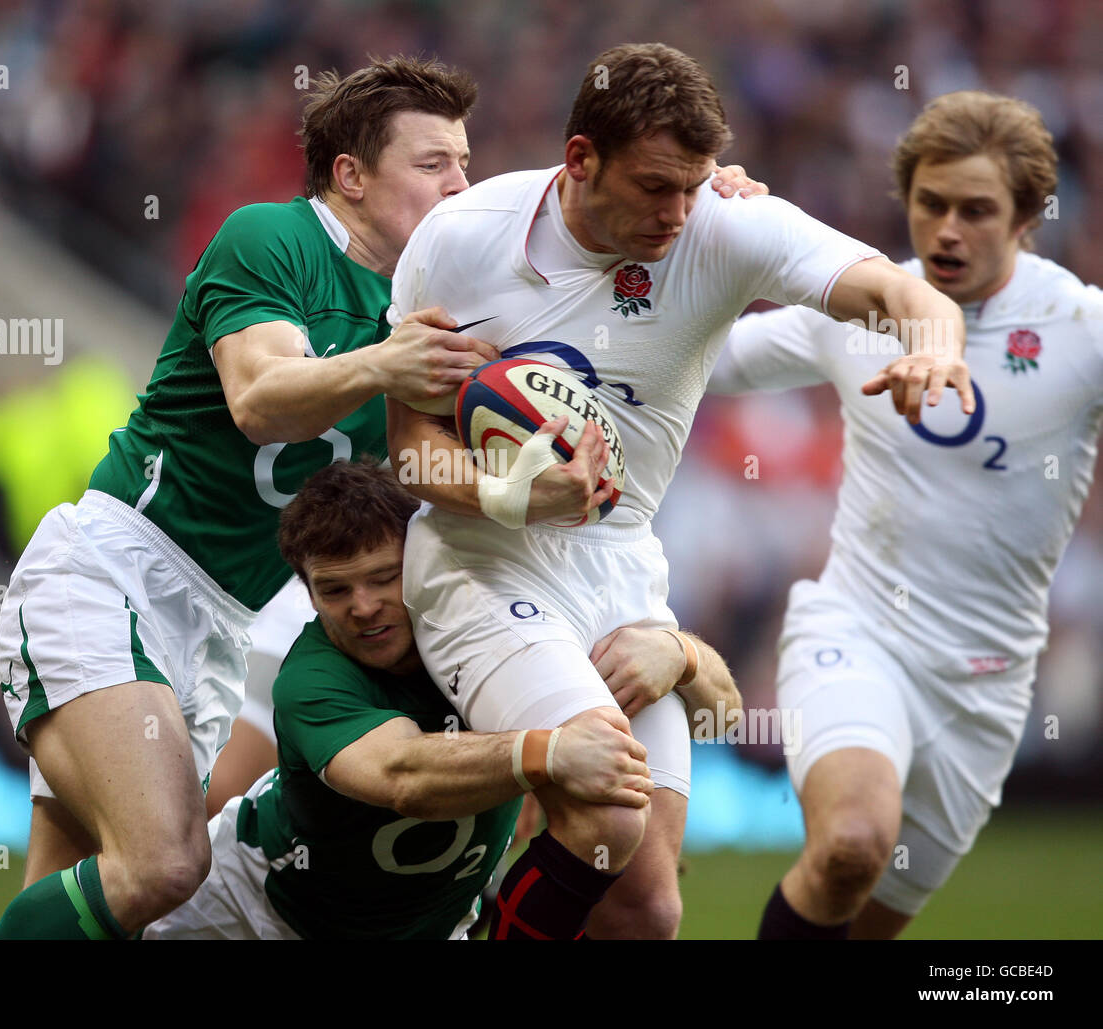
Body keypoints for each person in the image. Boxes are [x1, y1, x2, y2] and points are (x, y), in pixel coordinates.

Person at [386, 43, 975, 940]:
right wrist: (523, 496)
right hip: (483, 561)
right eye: (657, 186)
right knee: (605, 807)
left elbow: (902, 289)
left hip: (622, 570)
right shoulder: (464, 238)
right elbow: (410, 455)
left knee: (648, 911)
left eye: (695, 185)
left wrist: (934, 345)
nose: (679, 212)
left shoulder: (723, 227)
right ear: (580, 158)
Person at [0, 56, 492, 940]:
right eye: (432, 163)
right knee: (167, 862)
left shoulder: (425, 301)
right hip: (117, 570)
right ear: (351, 175)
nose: (461, 183)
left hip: (220, 619)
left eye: (464, 161)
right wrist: (386, 363)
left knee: (95, 900)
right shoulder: (272, 239)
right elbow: (260, 395)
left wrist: (712, 196)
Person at [705, 91, 1103, 939]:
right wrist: (713, 240)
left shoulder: (1081, 328)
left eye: (977, 210)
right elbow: (699, 361)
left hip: (986, 687)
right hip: (858, 633)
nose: (948, 229)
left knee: (866, 926)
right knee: (850, 845)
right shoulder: (856, 310)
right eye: (931, 204)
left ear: (1030, 216)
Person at [147, 459, 738, 939]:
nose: (362, 606)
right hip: (248, 915)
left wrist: (682, 656)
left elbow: (724, 720)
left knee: (654, 913)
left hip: (428, 928)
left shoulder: (508, 634)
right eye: (334, 589)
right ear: (308, 592)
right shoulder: (312, 677)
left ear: (424, 563)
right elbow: (403, 774)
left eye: (383, 577)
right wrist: (550, 751)